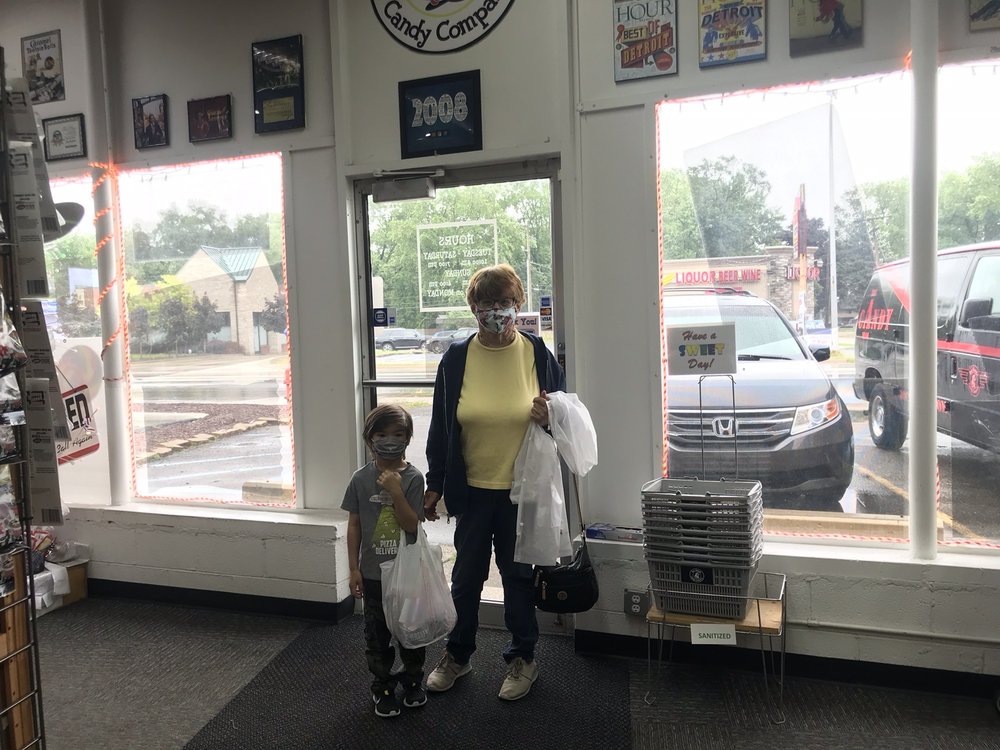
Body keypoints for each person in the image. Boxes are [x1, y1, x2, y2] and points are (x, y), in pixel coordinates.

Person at [423, 263, 565, 701]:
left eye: (504, 302)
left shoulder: (536, 353)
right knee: (466, 579)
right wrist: (435, 483)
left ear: (518, 304)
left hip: (520, 492)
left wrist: (549, 416)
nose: (496, 311)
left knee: (518, 578)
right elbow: (441, 427)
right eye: (486, 303)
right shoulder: (456, 359)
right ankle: (458, 654)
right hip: (471, 491)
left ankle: (523, 659)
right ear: (473, 309)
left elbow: (565, 412)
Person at [341, 404, 427, 718]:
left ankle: (413, 680)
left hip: (407, 573)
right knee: (377, 635)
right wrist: (353, 568)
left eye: (398, 434)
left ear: (408, 438)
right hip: (373, 574)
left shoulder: (413, 478)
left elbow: (411, 524)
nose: (390, 441)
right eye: (382, 435)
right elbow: (354, 524)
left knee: (411, 631)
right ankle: (383, 685)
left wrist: (396, 491)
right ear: (369, 439)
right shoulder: (360, 478)